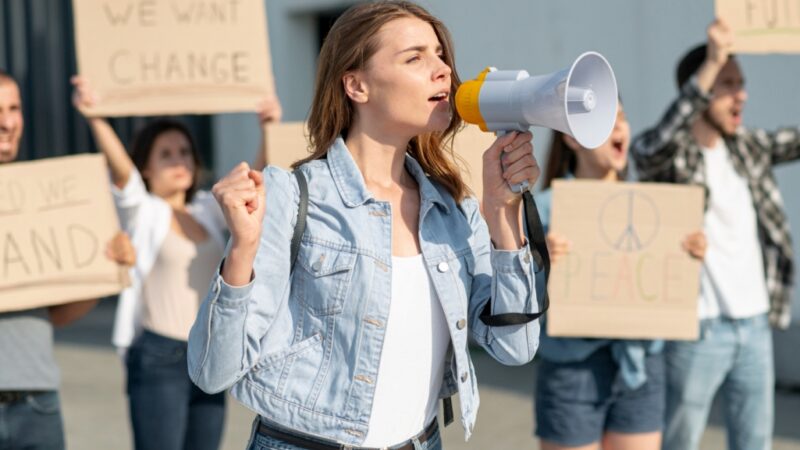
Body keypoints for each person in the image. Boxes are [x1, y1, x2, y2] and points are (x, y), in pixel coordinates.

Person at [187, 1, 543, 449]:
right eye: (415, 58)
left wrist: (503, 213)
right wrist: (241, 250)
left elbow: (516, 347)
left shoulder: (455, 211)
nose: (443, 71)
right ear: (356, 85)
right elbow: (213, 371)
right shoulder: (294, 196)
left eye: (439, 55)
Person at [71, 77, 282, 450]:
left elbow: (254, 182)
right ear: (146, 169)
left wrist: (268, 127)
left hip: (207, 354)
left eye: (184, 152)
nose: (179, 161)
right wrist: (95, 117)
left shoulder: (206, 211)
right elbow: (124, 175)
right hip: (158, 357)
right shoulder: (144, 213)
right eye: (165, 155)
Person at [631, 18, 800, 450]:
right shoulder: (672, 154)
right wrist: (711, 61)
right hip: (697, 329)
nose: (740, 93)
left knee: (754, 443)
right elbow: (648, 148)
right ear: (701, 89)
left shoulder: (748, 147)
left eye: (740, 83)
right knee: (679, 441)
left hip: (757, 325)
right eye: (727, 83)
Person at [533, 101, 706, 450]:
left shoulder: (656, 206)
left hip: (642, 364)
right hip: (572, 368)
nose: (619, 128)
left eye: (623, 118)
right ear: (571, 139)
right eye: (604, 121)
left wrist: (690, 255)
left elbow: (666, 289)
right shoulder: (545, 208)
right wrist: (537, 265)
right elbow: (519, 303)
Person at [0, 69, 136, 450]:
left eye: (14, 108)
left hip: (37, 402)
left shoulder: (40, 203)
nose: (7, 121)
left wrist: (107, 270)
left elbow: (57, 315)